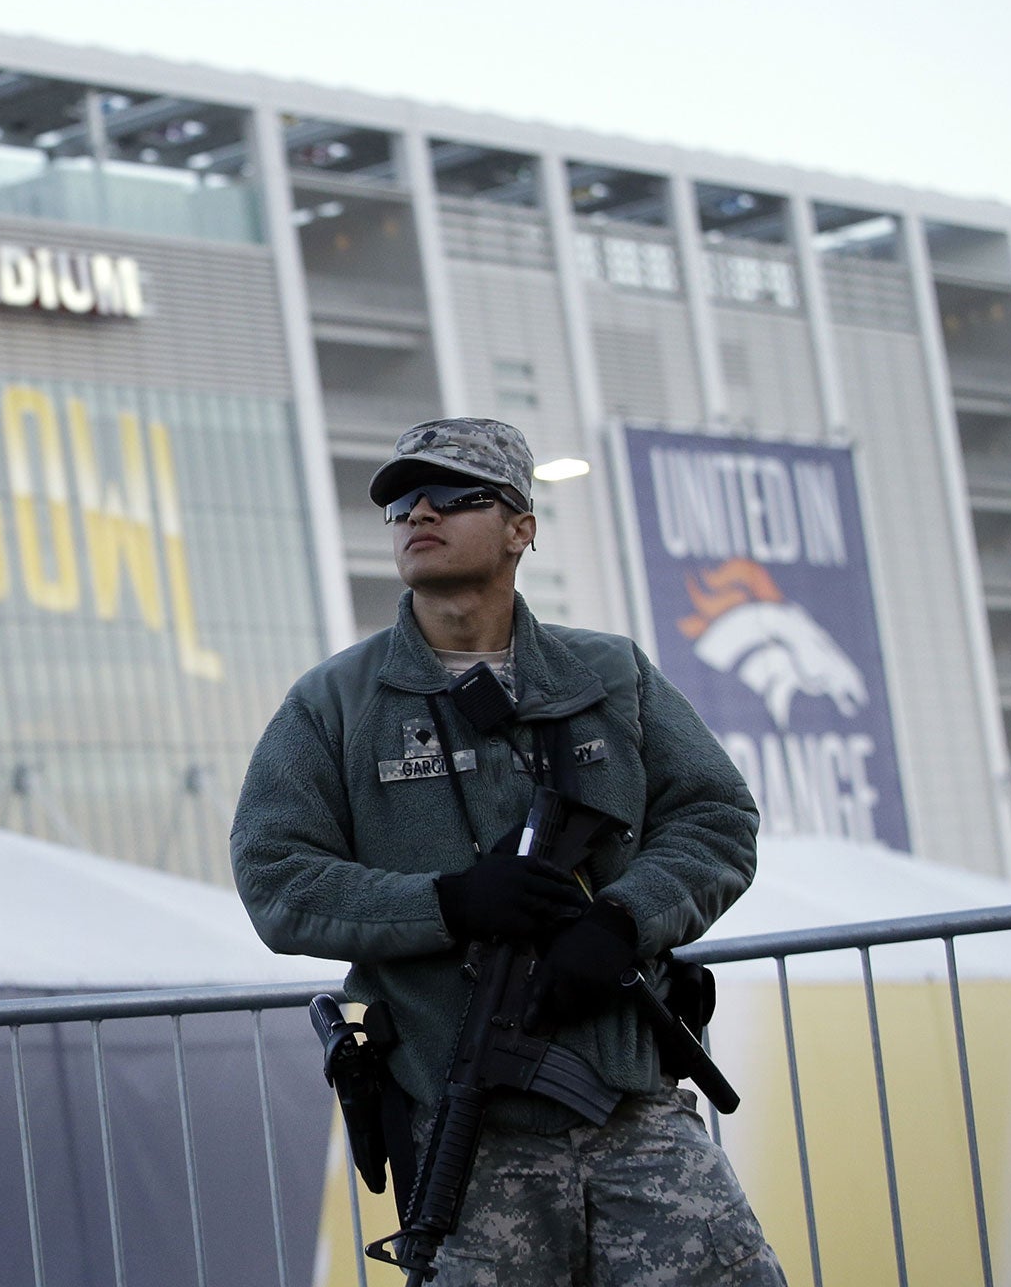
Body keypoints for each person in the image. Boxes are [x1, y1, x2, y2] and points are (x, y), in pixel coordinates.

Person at [231, 418, 784, 1284]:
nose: (420, 513)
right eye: (404, 500)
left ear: (521, 526)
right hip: (466, 1122)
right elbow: (276, 879)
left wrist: (622, 921)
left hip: (633, 1108)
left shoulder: (610, 675)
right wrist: (448, 904)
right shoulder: (334, 704)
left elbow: (716, 816)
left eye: (453, 496)